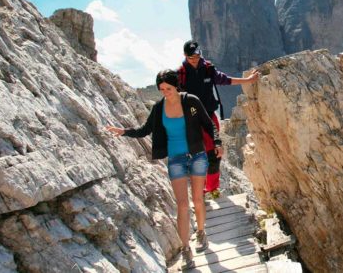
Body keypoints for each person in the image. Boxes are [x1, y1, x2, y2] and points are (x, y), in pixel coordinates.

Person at [106, 69, 218, 269]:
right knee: (182, 205)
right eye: (161, 89)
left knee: (198, 200)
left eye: (168, 88)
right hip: (175, 160)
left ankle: (201, 232)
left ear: (176, 85)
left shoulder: (191, 101)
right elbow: (145, 129)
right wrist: (124, 132)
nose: (165, 92)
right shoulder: (159, 108)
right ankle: (186, 248)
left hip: (197, 157)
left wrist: (218, 142)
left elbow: (208, 124)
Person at [177, 40, 259, 199]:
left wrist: (248, 81)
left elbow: (226, 80)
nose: (193, 60)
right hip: (191, 118)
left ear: (200, 54)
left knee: (214, 153)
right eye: (190, 57)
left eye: (195, 56)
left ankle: (212, 188)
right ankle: (199, 190)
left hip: (209, 115)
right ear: (184, 56)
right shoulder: (181, 74)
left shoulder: (208, 69)